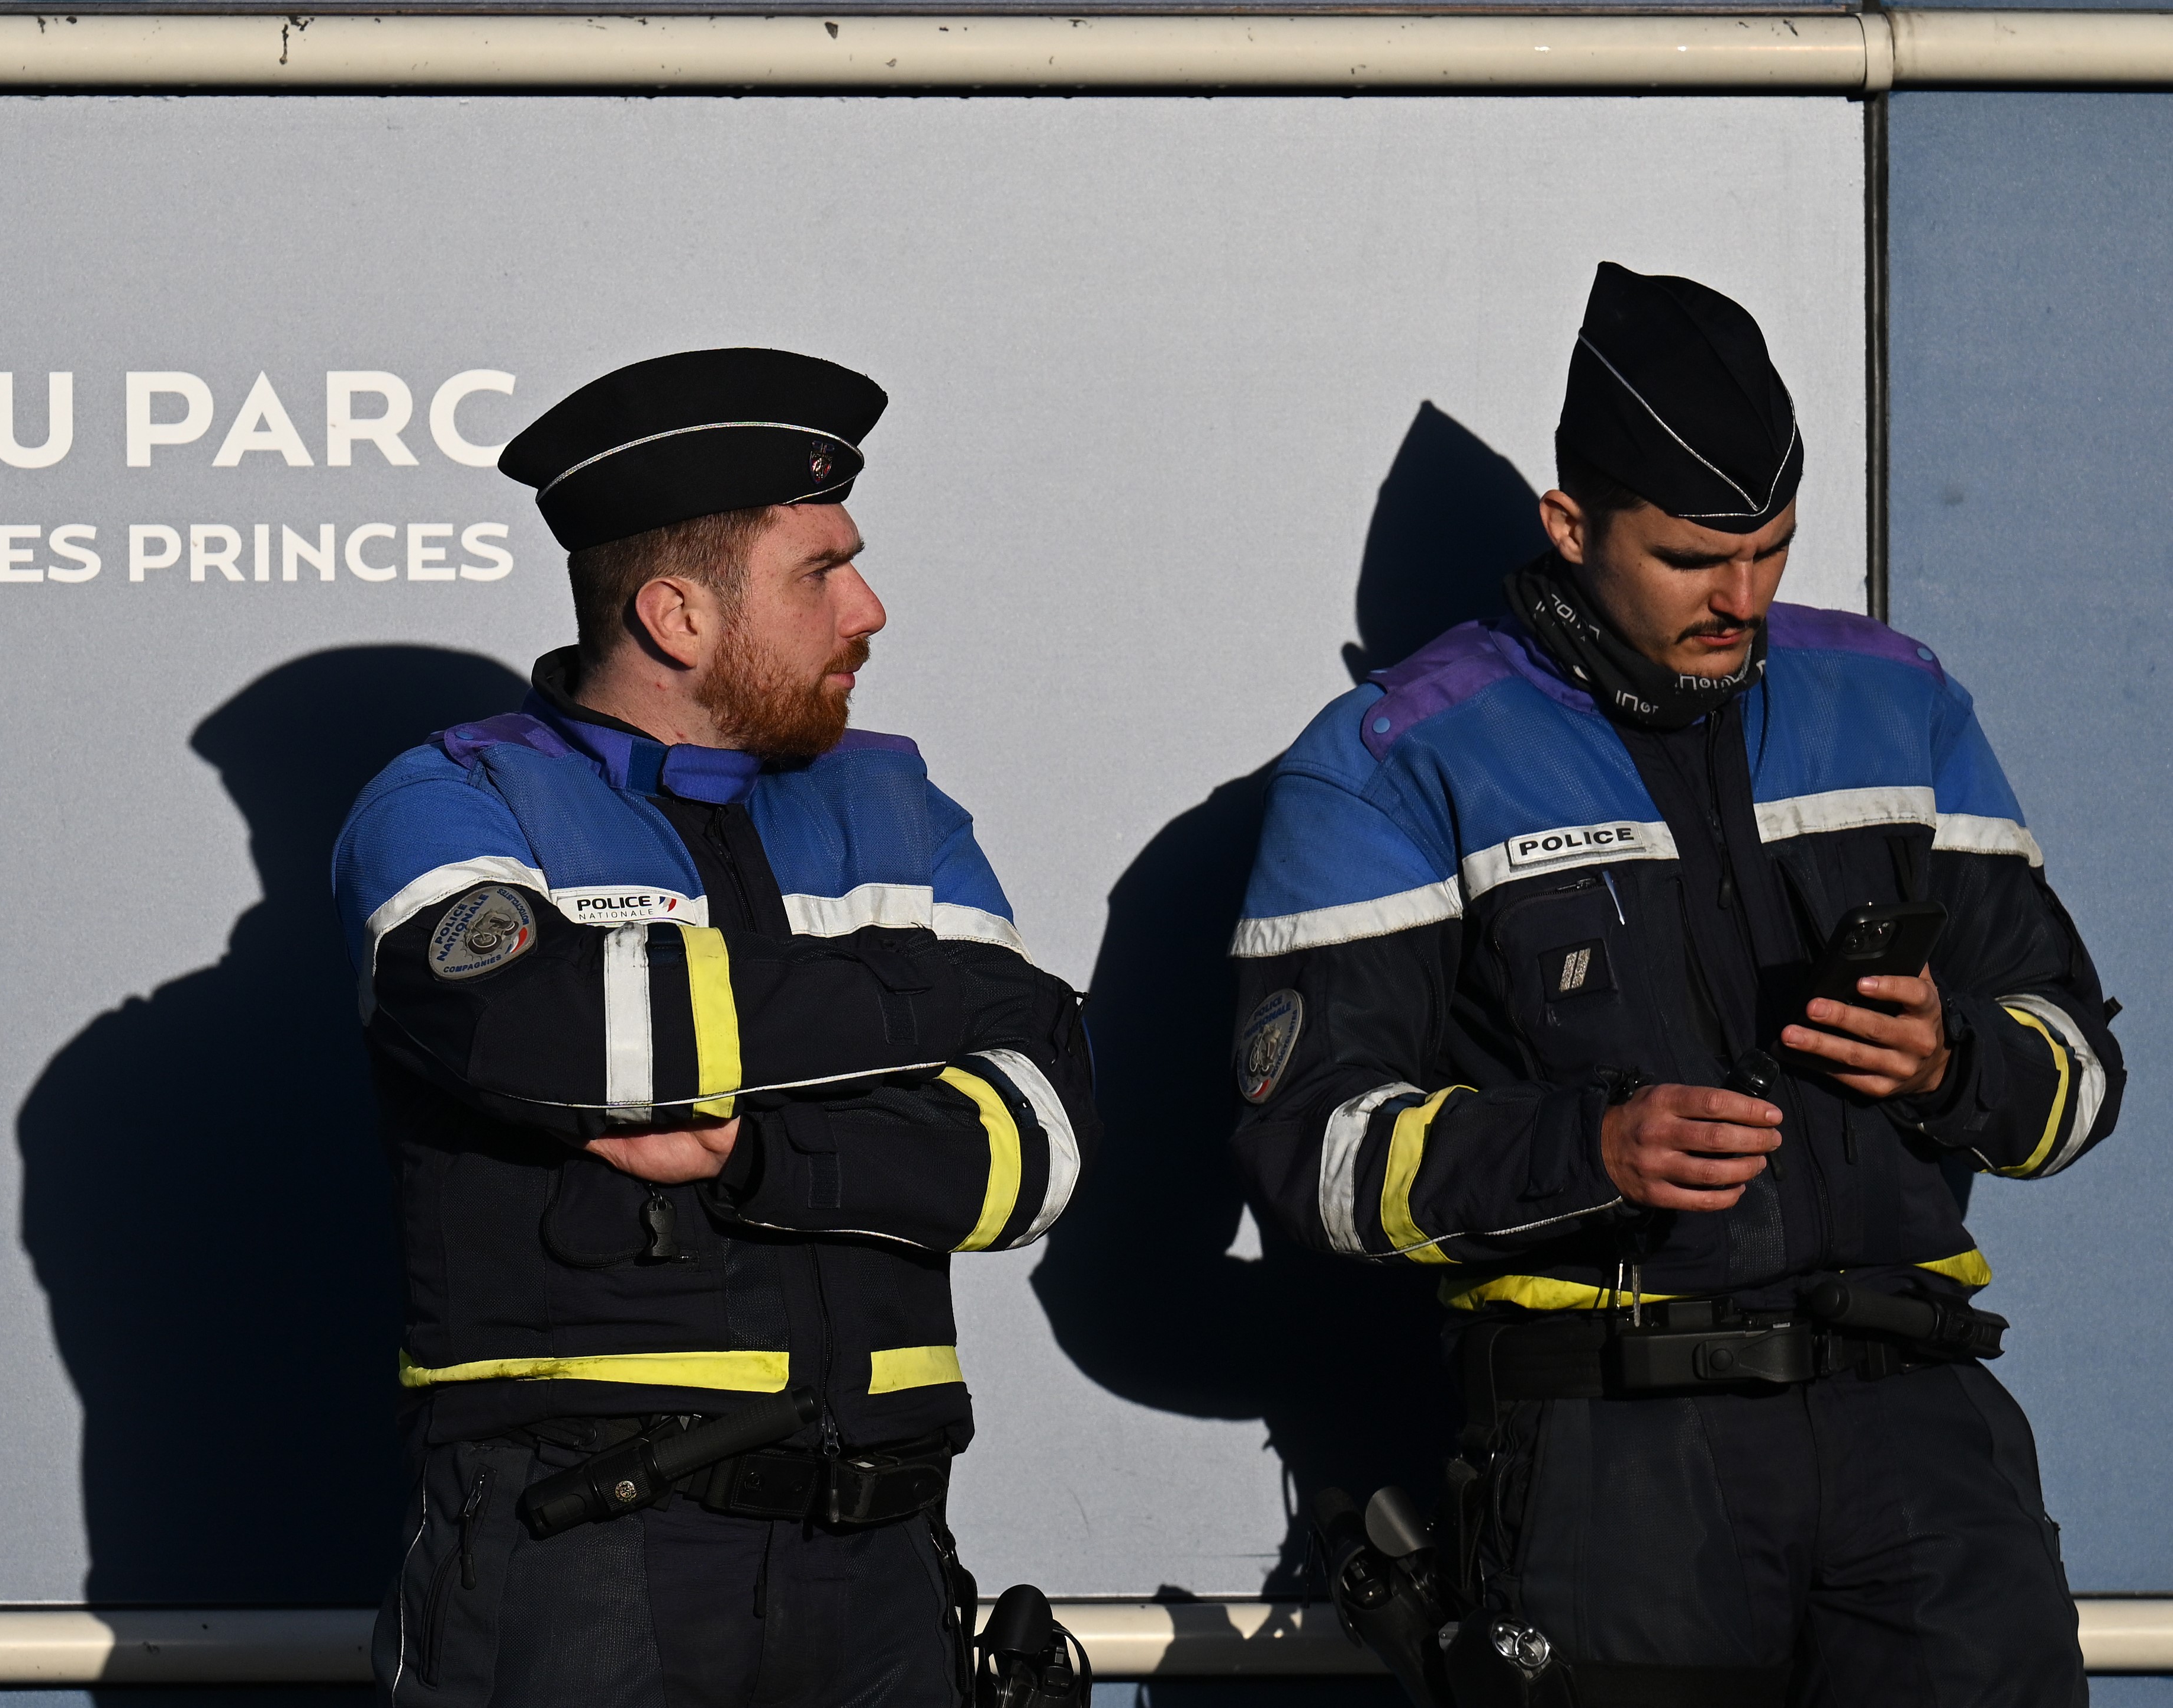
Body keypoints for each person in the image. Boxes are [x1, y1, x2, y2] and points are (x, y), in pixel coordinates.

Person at [1229, 264, 2122, 1704]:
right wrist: (1587, 1149)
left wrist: (1955, 1062)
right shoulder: (1393, 758)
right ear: (1570, 526)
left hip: (1920, 1442)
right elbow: (1309, 1154)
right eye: (1695, 557)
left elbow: (2079, 1074)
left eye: (1770, 548)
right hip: (1610, 1462)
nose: (1744, 598)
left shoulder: (1898, 698)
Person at [334, 348, 1096, 1708]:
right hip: (581, 1566)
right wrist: (924, 1000)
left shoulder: (896, 804)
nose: (869, 608)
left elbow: (1037, 1144)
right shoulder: (453, 800)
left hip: (881, 1565)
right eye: (819, 573)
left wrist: (755, 1157)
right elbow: (534, 1032)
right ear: (677, 615)